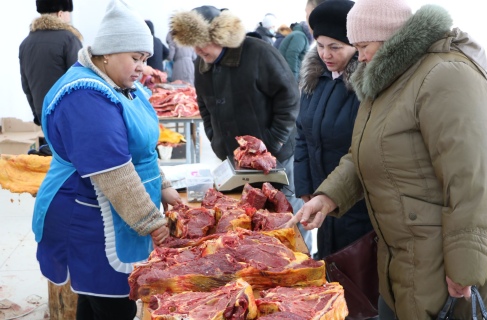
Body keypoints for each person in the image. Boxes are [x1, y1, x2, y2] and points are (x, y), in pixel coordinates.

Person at [286, 0, 487, 318]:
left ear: (392, 38)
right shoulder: (387, 80)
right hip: (403, 255)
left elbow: (472, 181)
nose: (359, 56)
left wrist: (465, 268)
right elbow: (363, 153)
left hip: (442, 262)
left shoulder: (446, 76)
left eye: (364, 46)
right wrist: (328, 197)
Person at [32, 0, 182, 318]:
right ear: (108, 53)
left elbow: (141, 148)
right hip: (88, 217)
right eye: (135, 58)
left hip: (116, 211)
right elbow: (113, 172)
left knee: (97, 300)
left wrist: (164, 185)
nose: (142, 66)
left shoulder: (125, 87)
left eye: (144, 58)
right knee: (113, 305)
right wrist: (152, 222)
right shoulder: (85, 95)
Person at [169, 5, 313, 253]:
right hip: (235, 161)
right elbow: (204, 105)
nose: (200, 49)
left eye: (205, 41)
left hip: (278, 158)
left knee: (288, 217)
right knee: (249, 220)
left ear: (221, 35)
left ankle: (302, 265)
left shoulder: (258, 52)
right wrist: (216, 139)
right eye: (194, 43)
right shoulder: (202, 63)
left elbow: (290, 97)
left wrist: (273, 143)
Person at [296, 0, 371, 263]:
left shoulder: (365, 87)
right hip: (321, 194)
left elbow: (366, 150)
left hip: (358, 203)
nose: (325, 54)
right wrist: (305, 185)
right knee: (329, 259)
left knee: (356, 268)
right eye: (320, 45)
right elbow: (302, 135)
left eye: (335, 47)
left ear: (355, 46)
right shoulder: (315, 79)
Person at [19, 0, 83, 156]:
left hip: (45, 117)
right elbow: (80, 81)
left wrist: (38, 115)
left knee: (53, 164)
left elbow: (26, 85)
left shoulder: (26, 43)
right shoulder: (69, 39)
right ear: (61, 13)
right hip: (70, 119)